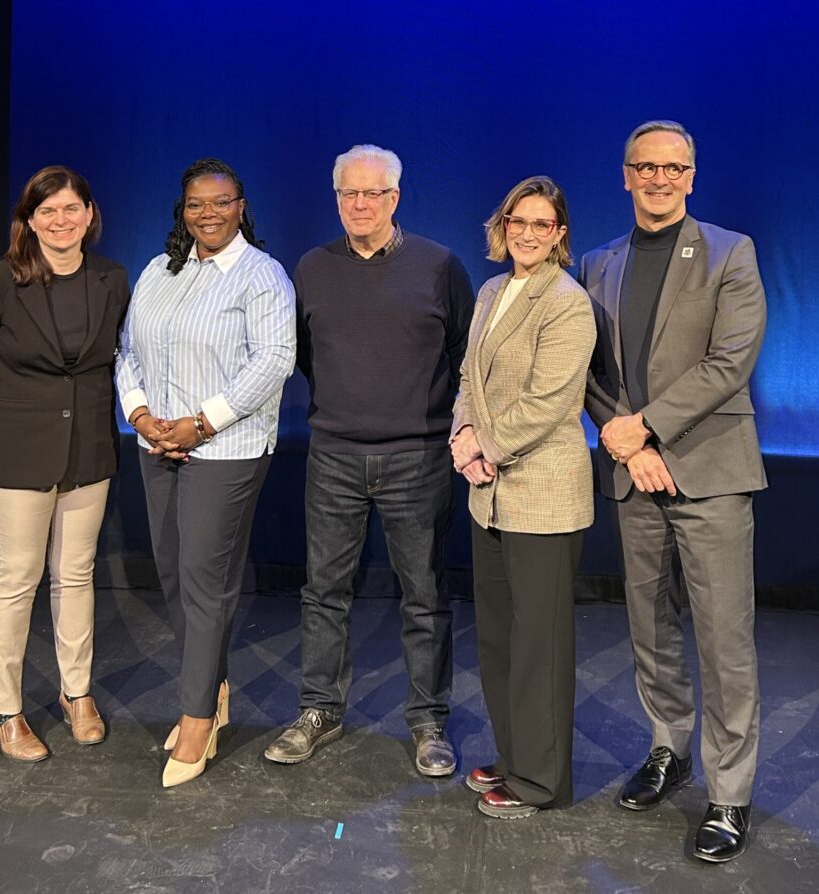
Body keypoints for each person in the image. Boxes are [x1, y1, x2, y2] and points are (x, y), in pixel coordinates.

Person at [580, 120, 767, 862]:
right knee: (649, 624)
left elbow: (729, 364)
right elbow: (584, 371)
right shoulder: (597, 262)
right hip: (636, 473)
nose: (659, 179)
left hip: (709, 471)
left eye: (673, 168)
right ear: (625, 175)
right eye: (645, 167)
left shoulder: (732, 252)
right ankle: (668, 748)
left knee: (724, 637)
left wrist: (646, 430)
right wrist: (624, 435)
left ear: (691, 176)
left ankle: (729, 793)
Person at [263, 144, 474, 776]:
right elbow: (302, 353)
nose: (360, 204)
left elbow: (467, 357)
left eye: (373, 194)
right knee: (324, 590)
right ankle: (320, 710)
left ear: (395, 198)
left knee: (425, 594)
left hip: (419, 457)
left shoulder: (439, 266)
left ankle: (428, 722)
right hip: (334, 455)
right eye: (349, 194)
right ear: (336, 198)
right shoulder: (311, 268)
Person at [116, 158, 295, 788]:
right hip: (157, 444)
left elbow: (274, 361)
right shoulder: (158, 272)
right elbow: (128, 351)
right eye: (196, 203)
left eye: (221, 202)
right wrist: (139, 412)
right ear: (182, 210)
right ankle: (212, 689)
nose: (208, 213)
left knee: (204, 580)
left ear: (241, 206)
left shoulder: (261, 276)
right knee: (172, 574)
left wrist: (201, 422)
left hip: (226, 448)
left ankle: (197, 720)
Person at [0, 166, 130, 761]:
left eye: (71, 208)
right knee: (18, 577)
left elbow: (111, 365)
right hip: (18, 455)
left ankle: (78, 695)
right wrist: (8, 428)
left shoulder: (110, 277)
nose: (60, 220)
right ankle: (4, 708)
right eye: (46, 211)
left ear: (89, 214)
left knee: (76, 575)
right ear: (28, 220)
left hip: (89, 454)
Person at [450, 177, 596, 818]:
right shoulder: (490, 291)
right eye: (519, 222)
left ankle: (541, 783)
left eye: (543, 225)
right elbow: (467, 376)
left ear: (559, 234)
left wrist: (485, 447)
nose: (529, 234)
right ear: (502, 226)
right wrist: (460, 433)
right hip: (491, 495)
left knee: (540, 646)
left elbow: (549, 402)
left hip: (543, 496)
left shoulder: (568, 303)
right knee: (502, 641)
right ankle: (515, 759)